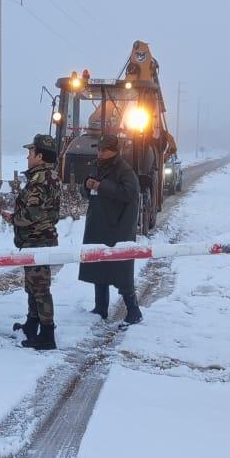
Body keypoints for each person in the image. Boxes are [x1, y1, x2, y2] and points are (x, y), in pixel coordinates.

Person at [2, 133, 61, 350]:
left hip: (38, 241)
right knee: (33, 286)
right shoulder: (47, 176)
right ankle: (32, 323)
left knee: (40, 289)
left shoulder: (40, 180)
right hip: (37, 240)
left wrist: (13, 218)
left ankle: (47, 335)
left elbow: (31, 214)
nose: (28, 157)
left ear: (40, 156)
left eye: (31, 152)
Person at [78, 133, 142, 324]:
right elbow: (88, 192)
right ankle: (100, 308)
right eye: (98, 149)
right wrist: (87, 185)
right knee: (99, 265)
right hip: (99, 224)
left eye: (103, 150)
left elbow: (130, 193)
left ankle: (133, 311)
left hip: (117, 228)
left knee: (121, 270)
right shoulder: (99, 166)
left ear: (114, 151)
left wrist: (101, 186)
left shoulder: (124, 170)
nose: (99, 153)